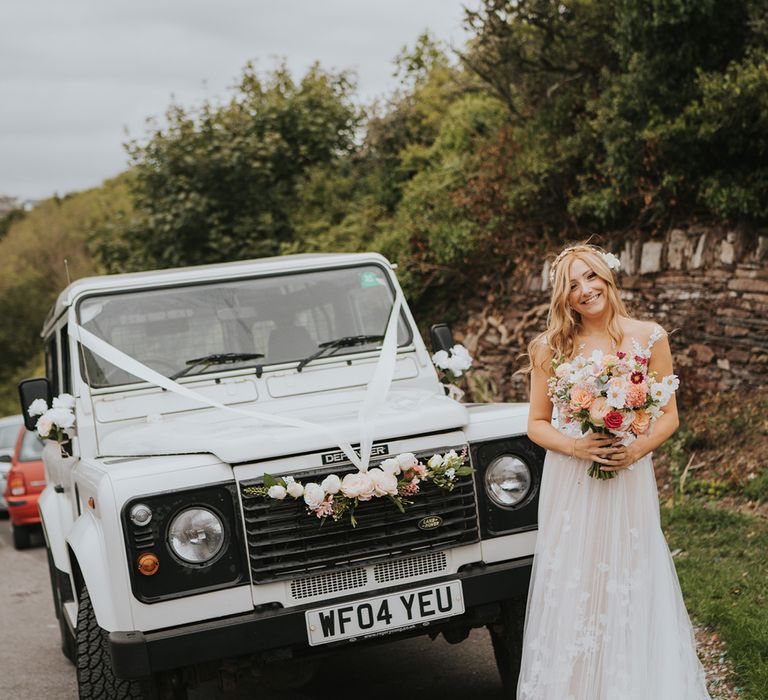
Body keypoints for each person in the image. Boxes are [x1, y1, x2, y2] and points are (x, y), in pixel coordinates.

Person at [516, 243, 711, 699]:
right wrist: (577, 446)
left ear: (608, 278)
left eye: (591, 278)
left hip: (627, 477)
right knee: (577, 582)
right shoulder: (550, 348)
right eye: (572, 285)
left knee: (630, 576)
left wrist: (637, 449)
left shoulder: (648, 337)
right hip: (572, 481)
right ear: (562, 297)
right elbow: (536, 424)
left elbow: (669, 415)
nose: (585, 290)